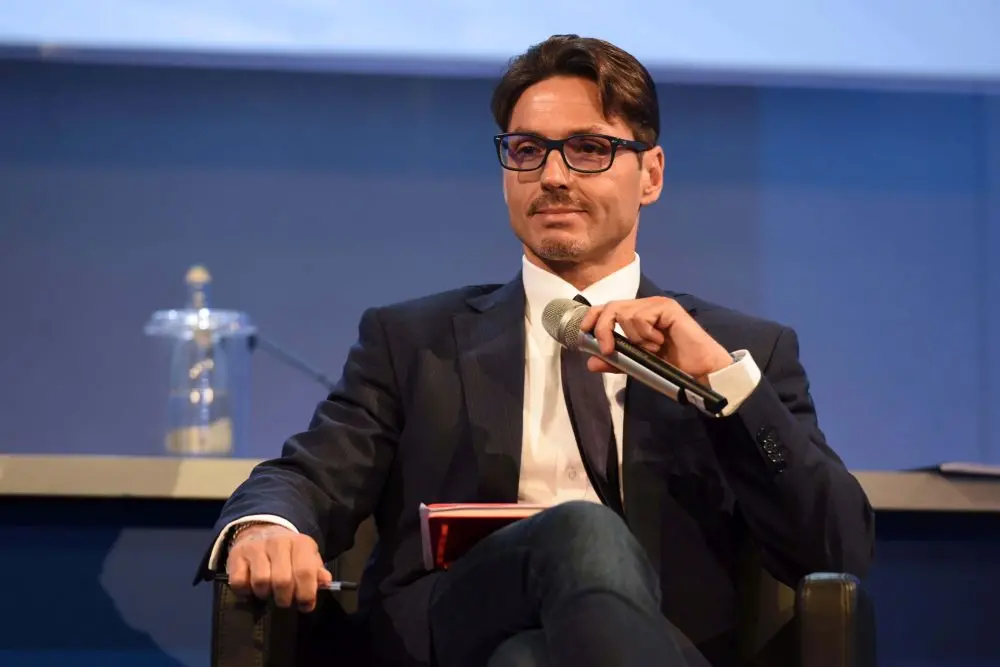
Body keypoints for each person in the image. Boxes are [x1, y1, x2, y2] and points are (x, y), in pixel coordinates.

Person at [196, 34, 874, 667]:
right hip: (453, 630)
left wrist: (725, 388)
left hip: (655, 640)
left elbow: (836, 548)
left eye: (588, 148)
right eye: (526, 149)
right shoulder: (413, 341)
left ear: (651, 174)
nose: (552, 175)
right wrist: (264, 527)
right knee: (582, 532)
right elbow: (309, 475)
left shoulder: (742, 352)